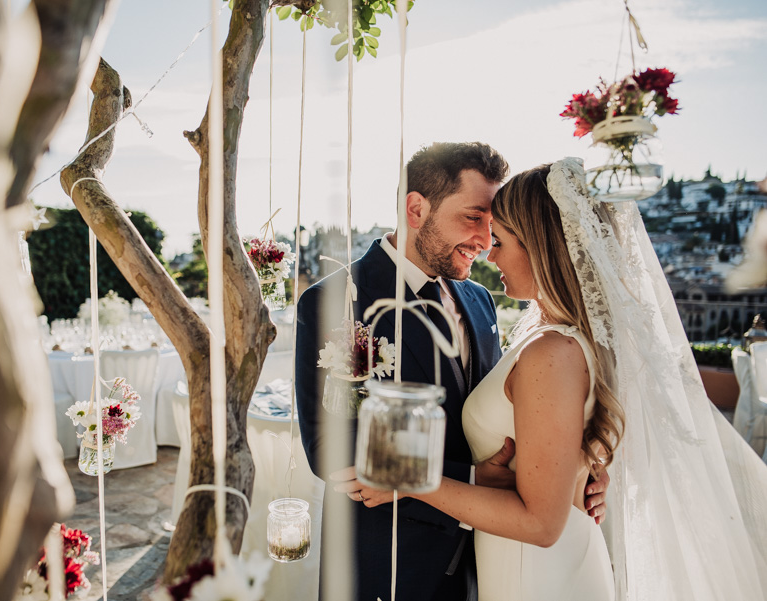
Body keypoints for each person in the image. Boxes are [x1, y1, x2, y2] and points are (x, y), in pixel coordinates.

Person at [347, 158, 767, 600]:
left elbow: (541, 524)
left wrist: (412, 479)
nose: (490, 253)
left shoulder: (553, 352)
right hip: (515, 562)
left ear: (542, 248)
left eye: (503, 240)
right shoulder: (552, 337)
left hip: (537, 574)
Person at [294, 144, 608, 601]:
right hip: (391, 563)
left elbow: (522, 409)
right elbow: (332, 449)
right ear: (417, 208)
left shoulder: (480, 301)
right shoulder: (337, 301)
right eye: (474, 217)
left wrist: (580, 466)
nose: (486, 238)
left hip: (492, 558)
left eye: (494, 223)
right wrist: (475, 478)